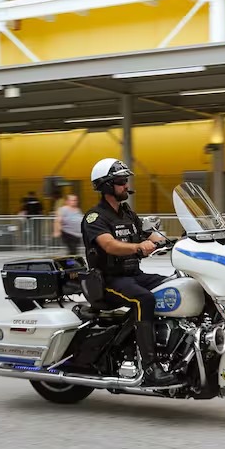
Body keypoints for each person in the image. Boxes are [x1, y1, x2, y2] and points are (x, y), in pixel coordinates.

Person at [81, 158, 176, 386]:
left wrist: (179, 242)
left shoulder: (127, 214)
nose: (126, 186)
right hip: (109, 280)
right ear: (106, 186)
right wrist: (137, 247)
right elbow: (109, 245)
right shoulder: (95, 217)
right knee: (144, 299)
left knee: (176, 286)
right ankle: (151, 367)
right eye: (121, 181)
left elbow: (151, 236)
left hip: (133, 275)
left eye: (126, 181)